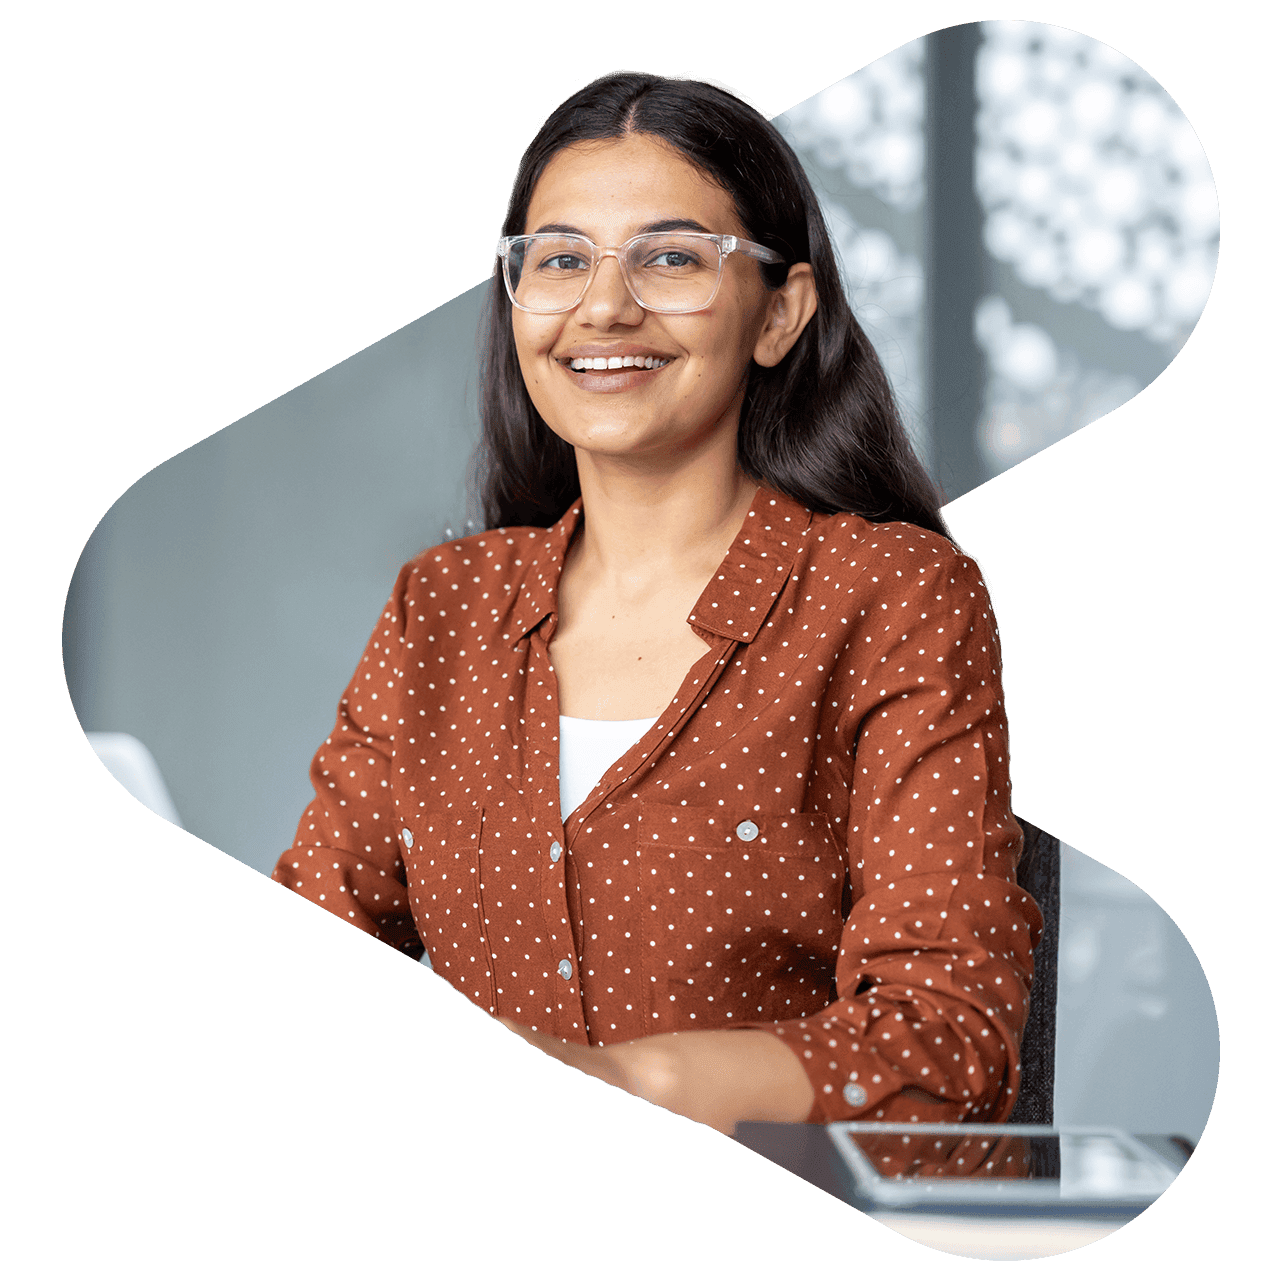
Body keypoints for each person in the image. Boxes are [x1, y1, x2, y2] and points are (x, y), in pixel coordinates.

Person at [272, 71, 1043, 1137]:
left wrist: (622, 1084)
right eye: (559, 260)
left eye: (669, 257)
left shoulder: (892, 596)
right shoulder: (441, 608)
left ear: (780, 311)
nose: (602, 304)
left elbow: (945, 1041)